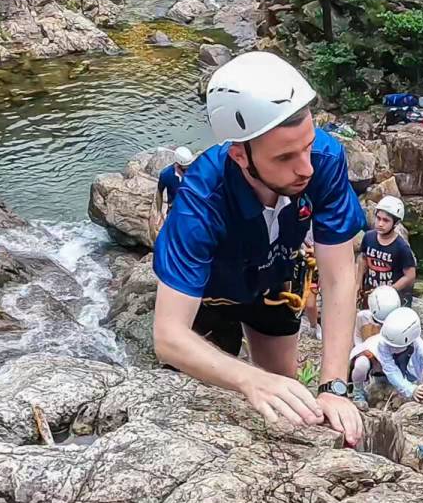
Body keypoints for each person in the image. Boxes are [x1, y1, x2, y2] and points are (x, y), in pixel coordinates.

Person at [151, 51, 366, 445]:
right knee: (204, 402)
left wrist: (334, 386)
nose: (306, 168)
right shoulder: (202, 200)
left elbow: (338, 278)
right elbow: (168, 336)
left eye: (307, 145)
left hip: (276, 274)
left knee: (287, 397)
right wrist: (248, 379)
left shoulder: (325, 160)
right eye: (285, 157)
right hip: (211, 290)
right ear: (239, 155)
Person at [351, 307, 423, 406]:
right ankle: (358, 393)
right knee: (361, 364)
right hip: (378, 368)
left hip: (401, 366)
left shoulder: (415, 342)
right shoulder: (382, 344)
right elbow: (391, 370)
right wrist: (411, 390)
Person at [359, 195, 417, 306]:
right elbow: (363, 258)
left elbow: (410, 276)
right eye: (378, 218)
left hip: (393, 297)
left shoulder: (401, 247)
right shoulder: (368, 237)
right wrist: (358, 284)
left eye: (386, 220)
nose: (380, 224)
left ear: (395, 223)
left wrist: (389, 291)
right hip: (370, 291)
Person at [150, 146, 196, 241]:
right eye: (184, 170)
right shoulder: (166, 175)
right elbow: (159, 192)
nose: (187, 172)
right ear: (177, 165)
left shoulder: (195, 172)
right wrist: (159, 212)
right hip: (174, 209)